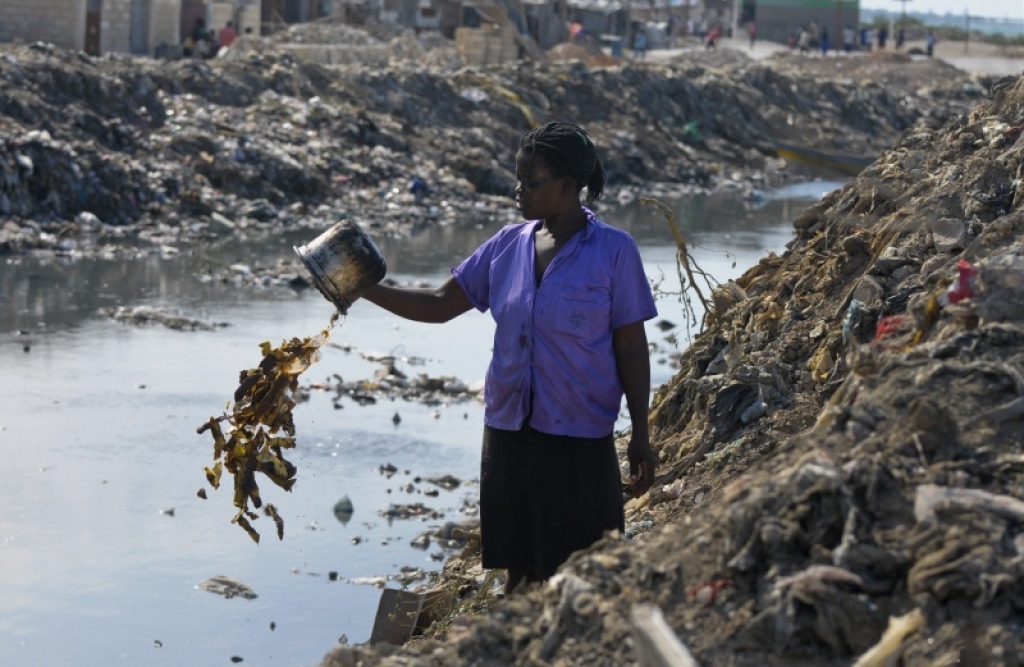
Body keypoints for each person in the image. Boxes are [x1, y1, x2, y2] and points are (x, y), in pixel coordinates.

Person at [362, 123, 658, 593]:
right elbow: (441, 304)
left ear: (566, 187)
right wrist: (364, 289)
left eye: (532, 182)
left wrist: (640, 433)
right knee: (519, 570)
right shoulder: (506, 245)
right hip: (508, 431)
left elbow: (630, 346)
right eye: (518, 179)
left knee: (583, 573)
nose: (518, 190)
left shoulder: (613, 252)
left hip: (578, 439)